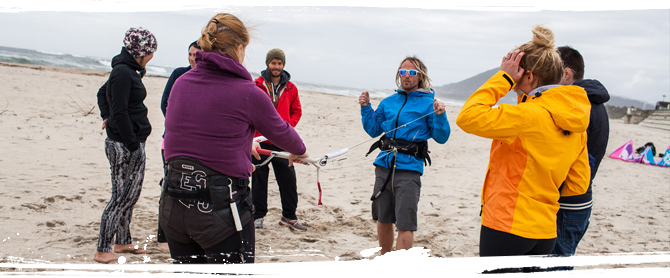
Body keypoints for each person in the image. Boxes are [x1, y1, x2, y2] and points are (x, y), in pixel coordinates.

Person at [161, 13, 307, 264]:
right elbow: (287, 137)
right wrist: (300, 151)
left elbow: (195, 131)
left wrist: (242, 142)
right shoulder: (248, 92)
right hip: (218, 211)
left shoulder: (182, 82)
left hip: (173, 205)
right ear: (239, 48)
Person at [455, 25, 591, 258]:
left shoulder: (526, 116)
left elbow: (467, 117)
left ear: (529, 76)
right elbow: (577, 184)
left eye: (518, 75)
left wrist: (503, 77)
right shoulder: (575, 121)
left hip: (508, 224)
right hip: (545, 230)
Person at [359, 56, 450, 255]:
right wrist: (366, 108)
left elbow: (441, 137)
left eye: (411, 72)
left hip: (409, 170)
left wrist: (440, 116)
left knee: (405, 223)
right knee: (383, 218)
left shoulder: (429, 103)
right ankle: (384, 259)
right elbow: (374, 129)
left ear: (420, 76)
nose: (406, 76)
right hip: (384, 166)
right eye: (402, 72)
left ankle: (399, 269)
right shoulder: (388, 102)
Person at [94, 27, 157, 264]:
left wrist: (106, 114)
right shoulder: (123, 72)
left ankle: (122, 241)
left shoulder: (129, 70)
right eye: (150, 51)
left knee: (130, 196)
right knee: (120, 198)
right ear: (140, 51)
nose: (152, 56)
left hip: (131, 141)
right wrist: (131, 143)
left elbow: (103, 94)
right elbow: (118, 110)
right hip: (124, 145)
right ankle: (102, 249)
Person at [553, 46, 610, 260]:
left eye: (551, 70)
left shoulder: (577, 106)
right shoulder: (593, 102)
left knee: (554, 263)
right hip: (580, 199)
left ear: (566, 74)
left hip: (567, 201)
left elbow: (562, 155)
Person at [251, 48, 306, 231]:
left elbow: (296, 111)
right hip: (259, 141)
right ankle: (257, 216)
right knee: (259, 180)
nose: (276, 66)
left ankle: (289, 216)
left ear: (283, 65)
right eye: (273, 63)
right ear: (268, 63)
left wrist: (287, 127)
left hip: (282, 141)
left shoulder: (291, 88)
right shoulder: (256, 84)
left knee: (288, 179)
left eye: (279, 63)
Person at [156, 40, 201, 250]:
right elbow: (165, 103)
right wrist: (181, 125)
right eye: (190, 54)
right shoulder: (178, 74)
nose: (192, 58)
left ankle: (189, 232)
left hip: (198, 144)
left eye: (196, 54)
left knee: (193, 188)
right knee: (169, 185)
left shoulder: (207, 79)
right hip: (173, 140)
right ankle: (163, 235)